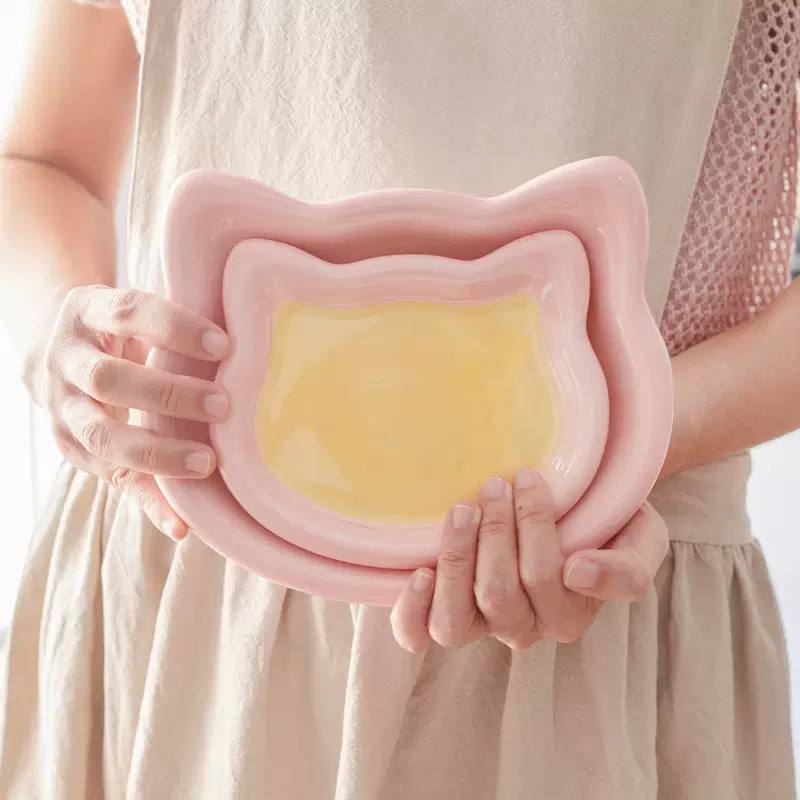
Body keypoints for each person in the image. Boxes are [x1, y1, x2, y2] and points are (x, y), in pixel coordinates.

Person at [0, 1, 795, 797]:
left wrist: (630, 451)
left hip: (588, 624)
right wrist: (53, 330)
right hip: (175, 593)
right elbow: (43, 162)